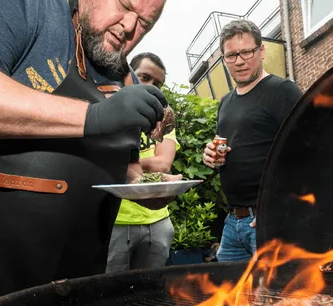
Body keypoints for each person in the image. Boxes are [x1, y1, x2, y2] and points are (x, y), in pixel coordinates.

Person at [0, 0, 172, 303]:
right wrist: (93, 117)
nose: (129, 26)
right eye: (124, 5)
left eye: (144, 23)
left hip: (76, 285)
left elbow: (126, 167)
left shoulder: (125, 77)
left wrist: (146, 188)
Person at [203, 20, 302, 262]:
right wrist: (211, 155)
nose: (239, 61)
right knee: (229, 286)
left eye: (246, 52)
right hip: (232, 222)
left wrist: (281, 206)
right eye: (231, 55)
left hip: (269, 219)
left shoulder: (282, 91)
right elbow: (224, 145)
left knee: (275, 287)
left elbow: (308, 152)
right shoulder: (225, 102)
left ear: (262, 51)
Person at [106, 53, 180, 272]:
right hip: (116, 221)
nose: (151, 87)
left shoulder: (162, 120)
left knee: (152, 287)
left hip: (157, 221)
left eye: (158, 84)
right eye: (145, 77)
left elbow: (163, 164)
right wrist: (137, 162)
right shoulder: (108, 110)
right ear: (129, 75)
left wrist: (126, 162)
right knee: (109, 288)